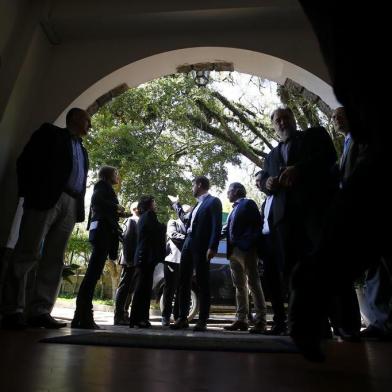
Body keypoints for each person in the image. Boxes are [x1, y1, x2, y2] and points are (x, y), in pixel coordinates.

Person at [1, 108, 90, 329]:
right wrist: (29, 192)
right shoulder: (50, 134)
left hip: (71, 203)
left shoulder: (83, 150)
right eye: (88, 121)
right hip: (46, 198)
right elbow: (26, 161)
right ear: (76, 118)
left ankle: (40, 311)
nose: (90, 125)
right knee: (27, 251)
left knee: (55, 259)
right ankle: (13, 310)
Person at [71, 166, 127, 329]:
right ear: (108, 175)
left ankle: (80, 316)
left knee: (92, 275)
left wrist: (118, 213)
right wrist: (116, 207)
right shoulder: (101, 187)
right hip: (102, 234)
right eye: (116, 173)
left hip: (103, 234)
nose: (118, 176)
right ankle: (84, 316)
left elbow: (103, 208)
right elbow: (97, 201)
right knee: (92, 275)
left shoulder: (105, 188)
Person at [171, 176, 222, 332]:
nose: (192, 188)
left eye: (193, 185)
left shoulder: (213, 201)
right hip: (188, 243)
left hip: (202, 246)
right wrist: (176, 205)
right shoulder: (197, 205)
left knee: (202, 281)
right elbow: (186, 221)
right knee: (183, 281)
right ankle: (182, 318)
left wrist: (212, 247)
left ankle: (202, 320)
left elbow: (216, 225)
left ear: (199, 185)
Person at [222, 182, 267, 333]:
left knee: (253, 284)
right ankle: (241, 320)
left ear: (236, 191)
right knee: (239, 286)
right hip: (233, 253)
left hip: (246, 251)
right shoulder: (232, 210)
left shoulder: (248, 203)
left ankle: (261, 321)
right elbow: (227, 230)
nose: (227, 193)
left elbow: (258, 225)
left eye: (229, 190)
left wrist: (247, 244)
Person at [255, 170, 287, 335]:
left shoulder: (281, 197)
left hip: (281, 242)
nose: (257, 184)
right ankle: (279, 322)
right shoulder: (263, 203)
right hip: (267, 245)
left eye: (259, 180)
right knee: (272, 284)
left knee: (287, 282)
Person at [129, 196, 166, 328]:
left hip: (143, 257)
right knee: (142, 289)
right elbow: (156, 231)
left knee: (143, 288)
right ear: (149, 205)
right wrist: (164, 226)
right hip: (145, 257)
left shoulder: (143, 216)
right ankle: (138, 319)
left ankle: (139, 319)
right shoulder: (149, 215)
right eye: (154, 203)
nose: (155, 205)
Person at [161, 204, 191, 326]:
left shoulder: (190, 226)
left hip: (185, 261)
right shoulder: (172, 222)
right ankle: (165, 316)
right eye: (187, 212)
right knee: (169, 289)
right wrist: (189, 238)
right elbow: (173, 234)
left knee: (182, 290)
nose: (189, 214)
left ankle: (178, 317)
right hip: (172, 260)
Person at [114, 202, 139, 325]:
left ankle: (124, 314)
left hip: (134, 260)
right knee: (124, 287)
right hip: (129, 260)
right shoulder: (131, 221)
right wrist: (129, 260)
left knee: (130, 288)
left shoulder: (139, 221)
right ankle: (118, 315)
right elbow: (127, 240)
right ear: (135, 209)